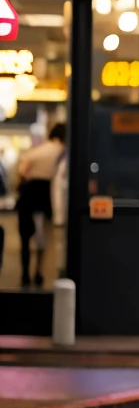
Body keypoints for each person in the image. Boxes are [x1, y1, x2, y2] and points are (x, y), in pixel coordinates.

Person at [15, 122, 65, 288]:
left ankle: (25, 272)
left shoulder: (35, 151)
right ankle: (39, 272)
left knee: (25, 238)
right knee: (44, 237)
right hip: (47, 195)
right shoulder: (61, 152)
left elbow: (22, 171)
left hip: (29, 194)